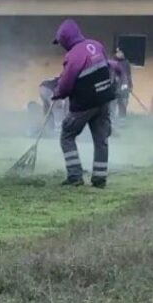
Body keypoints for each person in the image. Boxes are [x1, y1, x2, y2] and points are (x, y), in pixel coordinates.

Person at [50, 19, 115, 188]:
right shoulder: (97, 45)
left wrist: (57, 93)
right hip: (104, 100)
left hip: (84, 104)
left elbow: (66, 84)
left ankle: (75, 176)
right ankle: (100, 179)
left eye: (61, 42)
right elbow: (107, 68)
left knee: (67, 135)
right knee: (101, 140)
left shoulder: (73, 55)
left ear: (66, 39)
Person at [112, 47, 133, 120]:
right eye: (117, 52)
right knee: (113, 103)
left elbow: (129, 75)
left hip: (124, 86)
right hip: (114, 87)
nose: (119, 54)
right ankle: (112, 118)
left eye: (120, 52)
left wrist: (130, 86)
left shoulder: (126, 63)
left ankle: (122, 118)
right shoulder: (113, 62)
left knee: (123, 103)